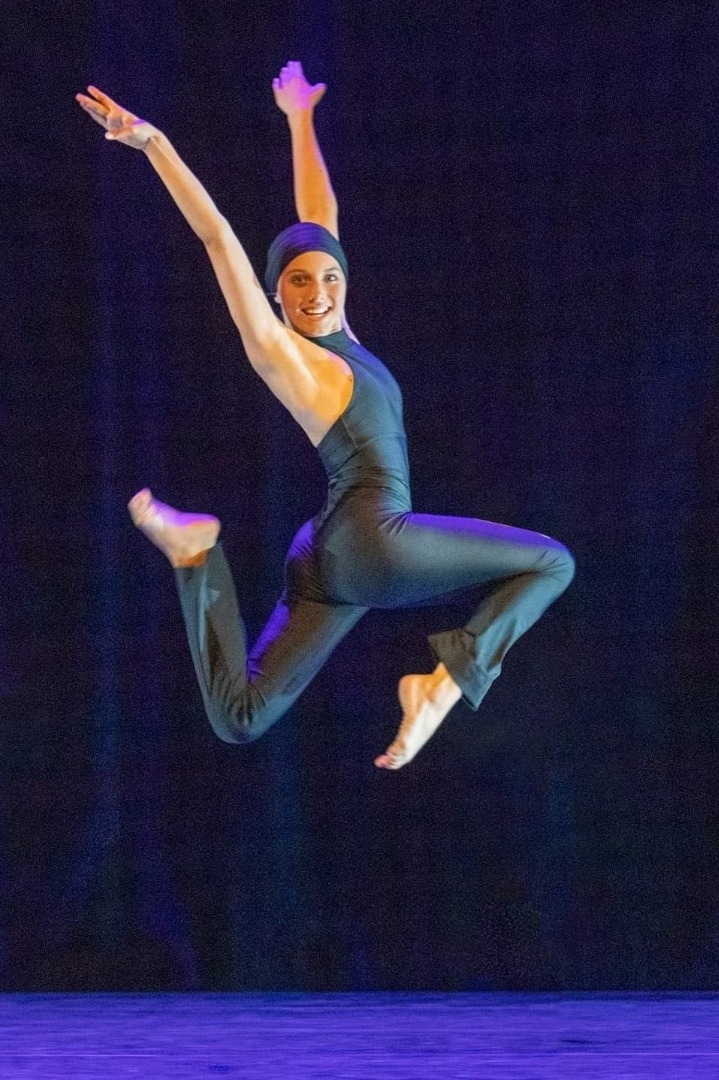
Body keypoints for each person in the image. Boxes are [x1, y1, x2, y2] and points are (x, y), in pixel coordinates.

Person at [76, 62, 574, 770]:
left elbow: (319, 214)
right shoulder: (285, 354)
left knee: (240, 717)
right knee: (552, 562)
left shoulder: (344, 335)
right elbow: (217, 236)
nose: (317, 292)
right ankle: (437, 690)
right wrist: (154, 144)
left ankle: (195, 557)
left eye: (329, 277)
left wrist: (300, 118)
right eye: (298, 282)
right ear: (275, 296)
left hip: (327, 556)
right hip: (372, 542)